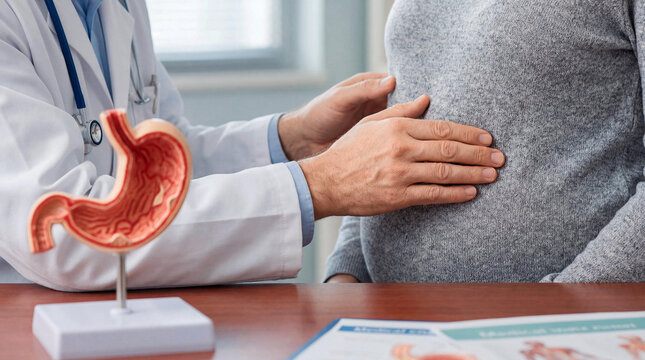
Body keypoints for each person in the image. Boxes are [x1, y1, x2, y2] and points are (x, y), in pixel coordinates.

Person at [0, 0, 504, 290]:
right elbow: (58, 229)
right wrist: (321, 184)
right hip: (34, 317)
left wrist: (293, 137)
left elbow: (162, 168)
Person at [325, 0, 645, 283]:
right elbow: (395, 139)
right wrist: (348, 268)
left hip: (547, 333)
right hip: (389, 318)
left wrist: (568, 304)